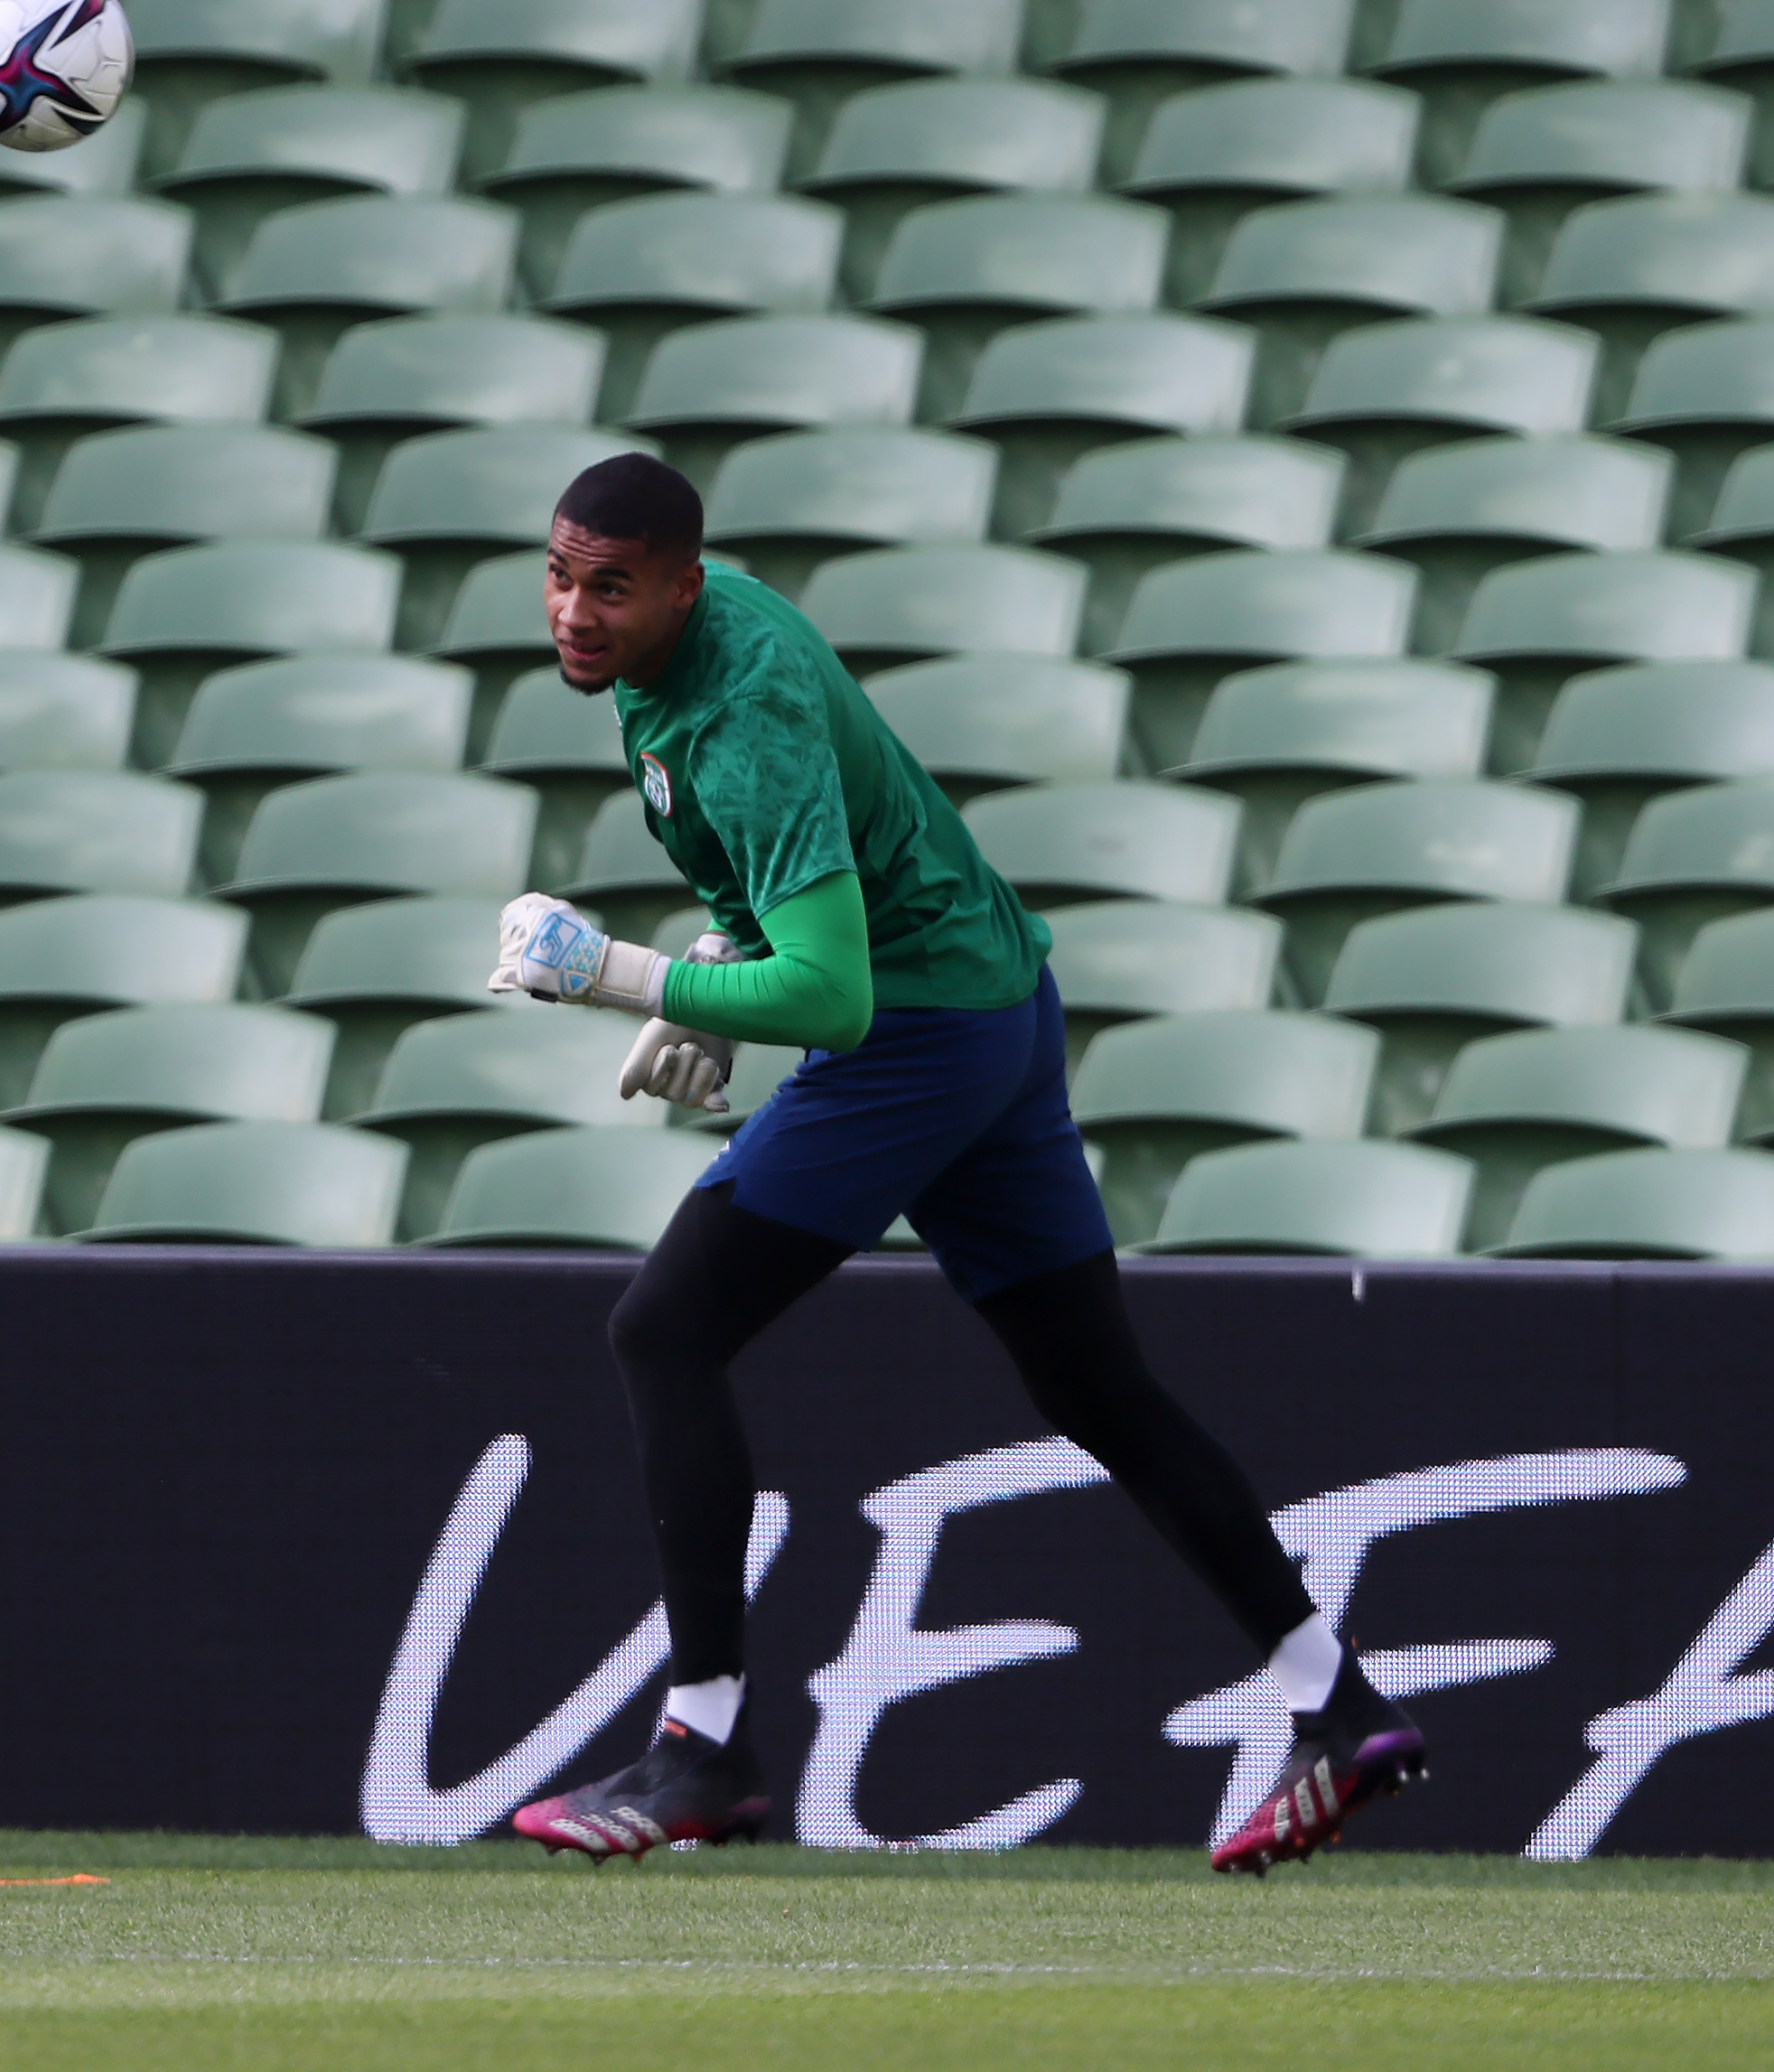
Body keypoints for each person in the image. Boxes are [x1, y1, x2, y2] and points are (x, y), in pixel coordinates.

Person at [491, 454, 1418, 1876]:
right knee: (1096, 1387)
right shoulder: (700, 633)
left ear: (683, 581)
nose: (573, 611)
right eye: (558, 576)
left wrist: (629, 978)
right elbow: (822, 885)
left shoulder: (739, 712)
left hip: (921, 1037)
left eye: (608, 586)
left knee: (666, 1328)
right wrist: (726, 966)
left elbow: (839, 1002)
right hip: (995, 997)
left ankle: (703, 1747)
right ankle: (1336, 1701)